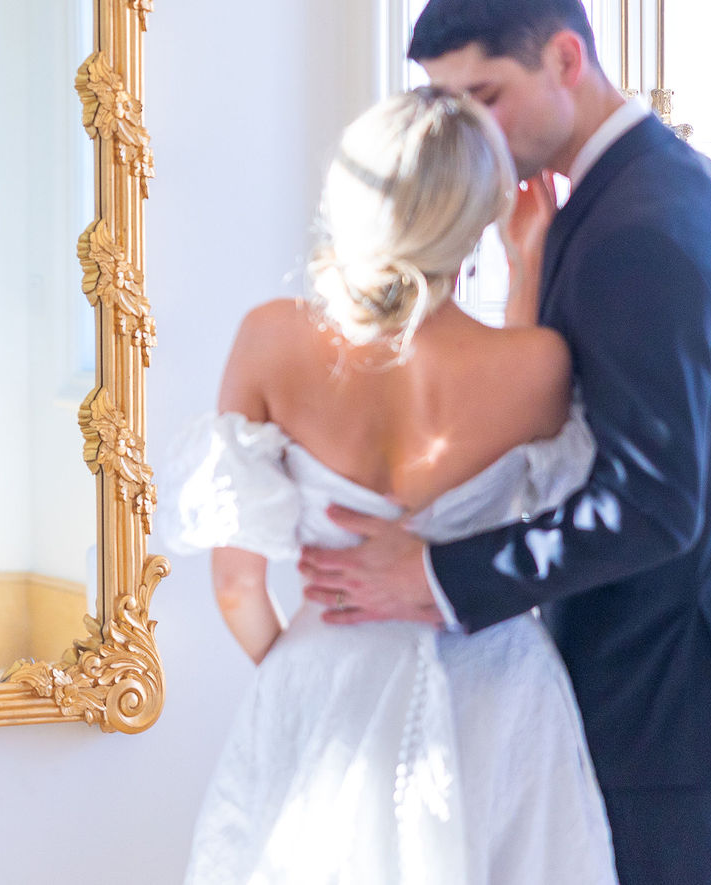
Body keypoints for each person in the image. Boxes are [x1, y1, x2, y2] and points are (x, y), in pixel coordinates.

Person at [302, 0, 711, 884]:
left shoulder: (638, 229)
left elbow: (650, 504)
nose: (471, 129)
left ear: (567, 58)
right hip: (675, 692)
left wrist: (436, 578)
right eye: (451, 104)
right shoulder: (654, 193)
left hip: (662, 703)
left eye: (486, 94)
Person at [162, 85, 616, 882]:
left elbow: (237, 585)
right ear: (477, 221)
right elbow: (549, 499)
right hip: (495, 688)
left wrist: (300, 675)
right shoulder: (536, 363)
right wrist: (529, 262)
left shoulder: (270, 338)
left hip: (329, 676)